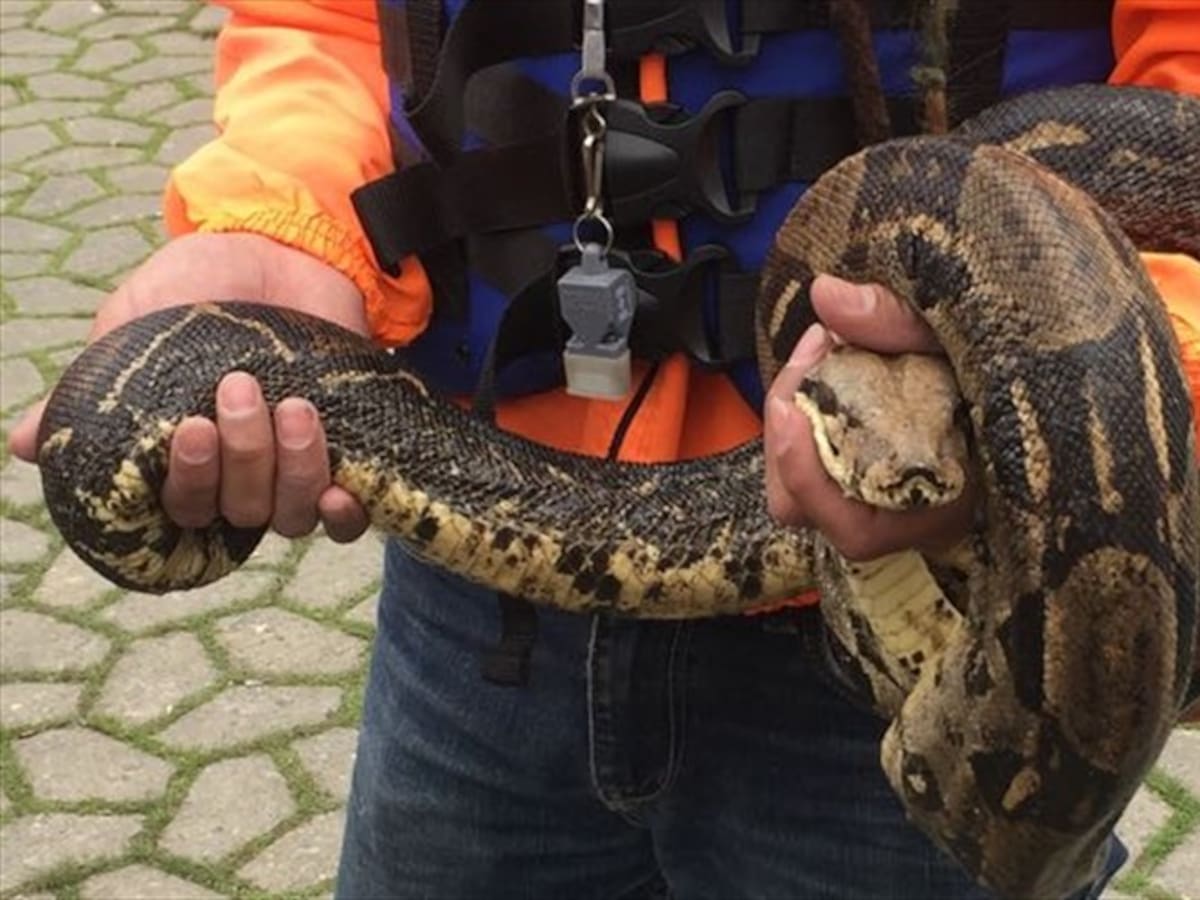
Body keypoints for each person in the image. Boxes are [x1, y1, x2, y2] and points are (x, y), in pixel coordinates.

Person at [10, 1, 1200, 897]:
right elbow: (323, 21)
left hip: (933, 613)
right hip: (477, 639)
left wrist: (1051, 385)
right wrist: (289, 222)